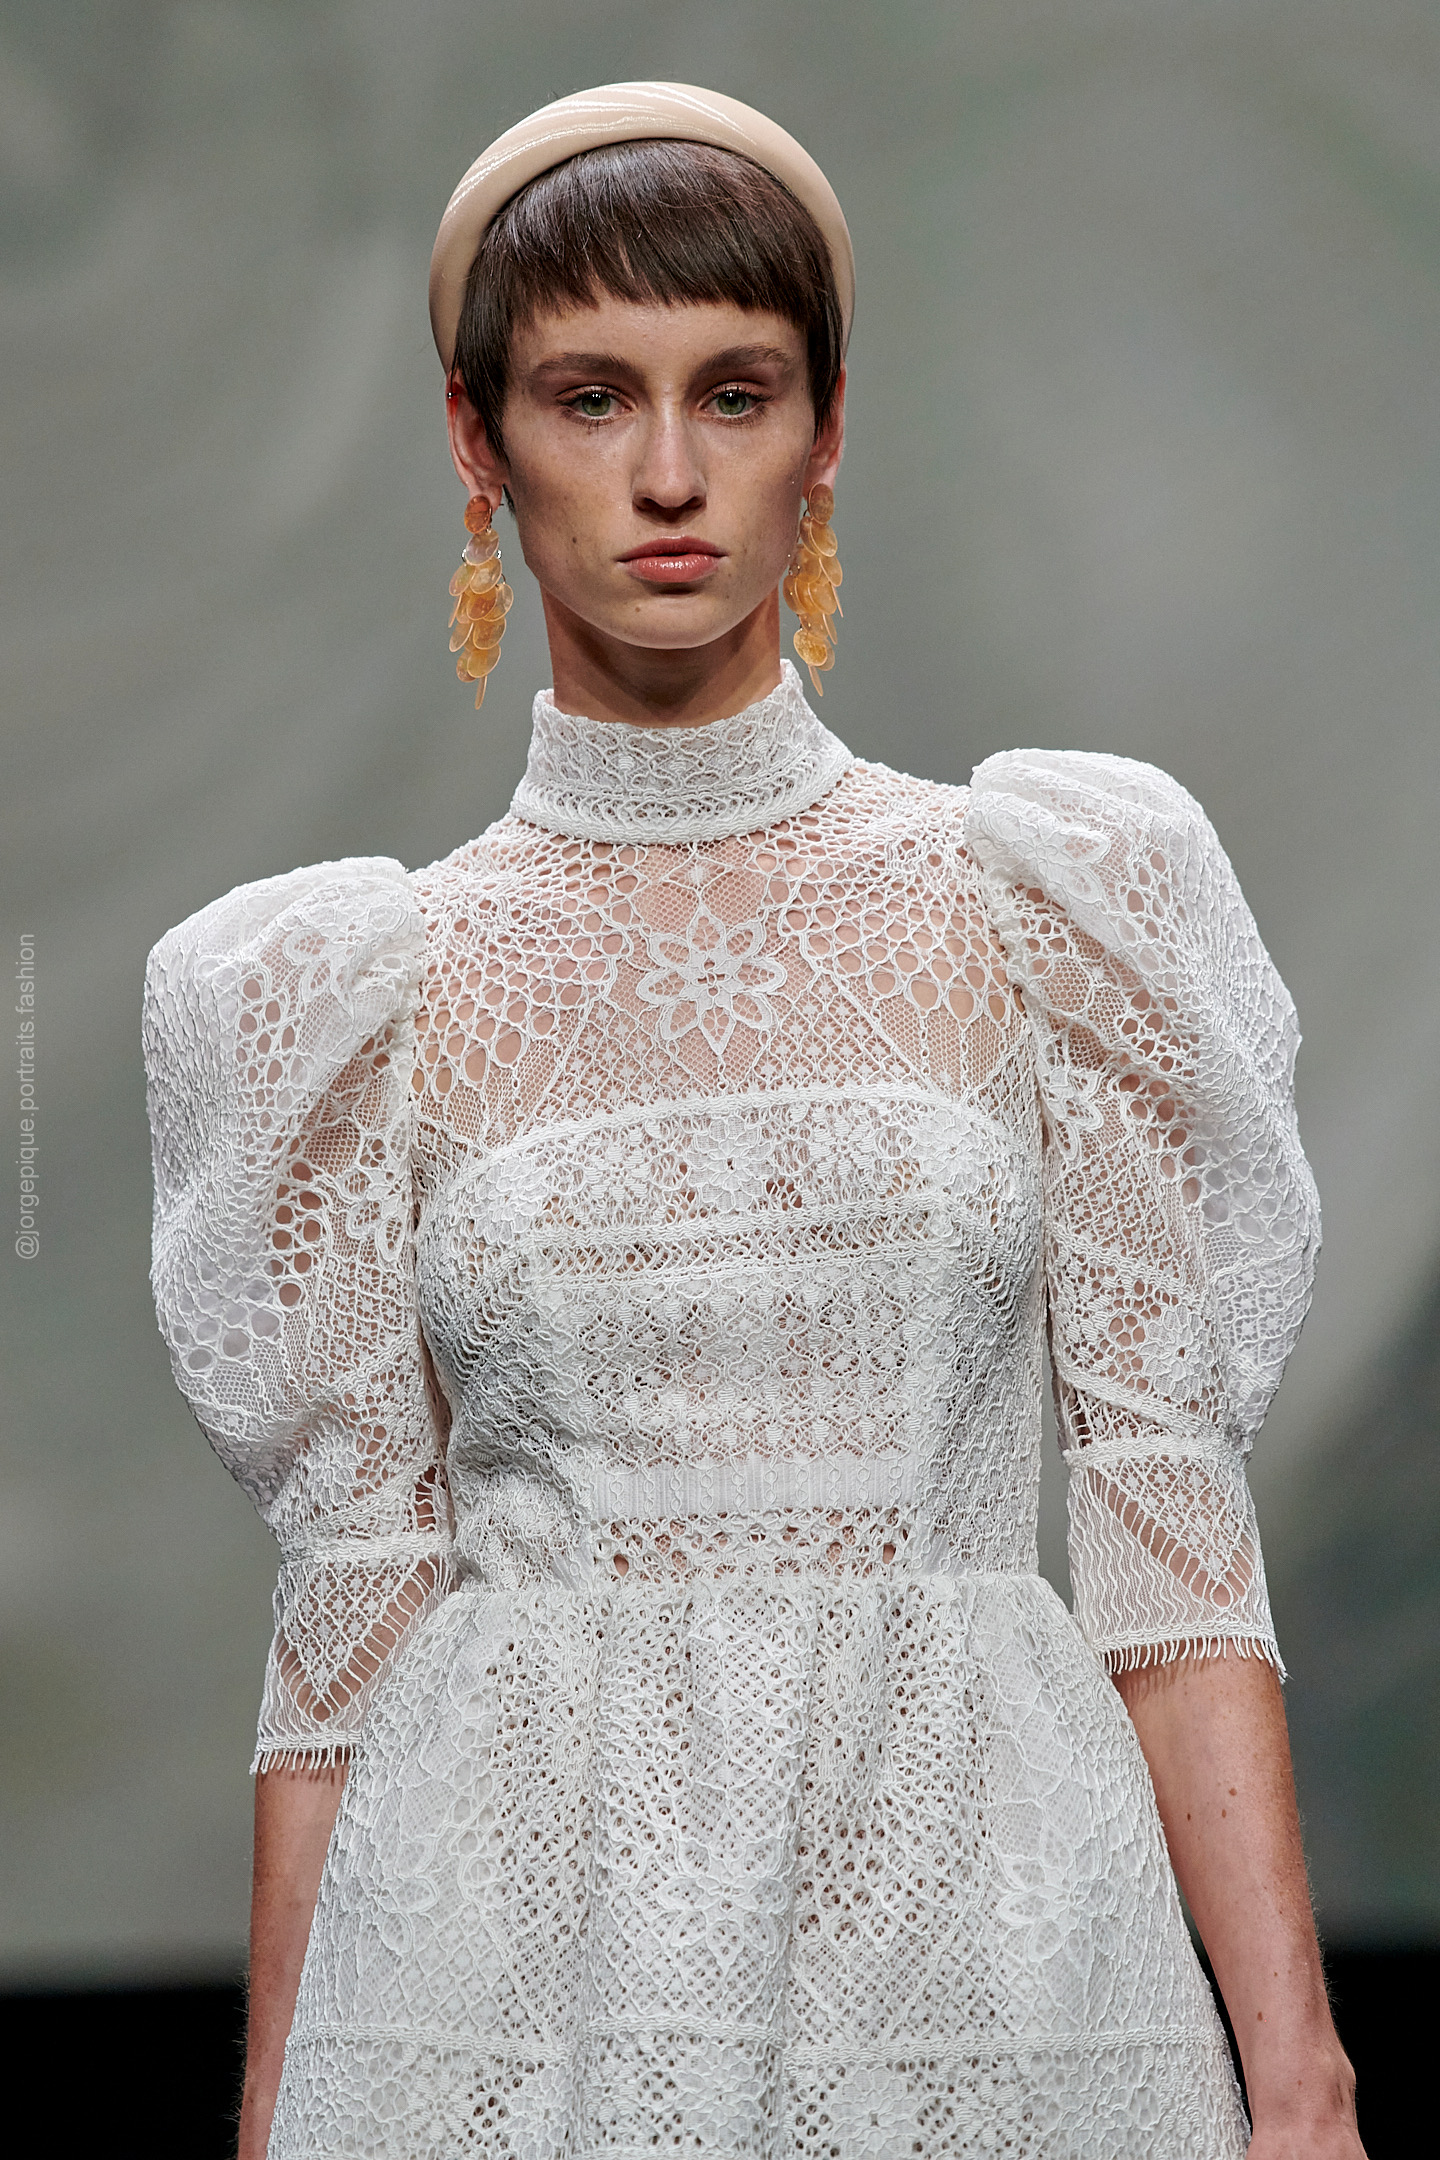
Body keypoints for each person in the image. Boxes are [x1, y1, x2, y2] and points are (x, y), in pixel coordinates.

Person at [142, 82, 1365, 2160]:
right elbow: (350, 1625)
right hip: (518, 1999)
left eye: (736, 392)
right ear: (474, 442)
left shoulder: (1052, 899)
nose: (669, 474)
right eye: (588, 398)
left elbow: (1171, 1549)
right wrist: (273, 2115)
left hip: (997, 1959)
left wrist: (1305, 2082)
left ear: (829, 428)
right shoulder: (345, 999)